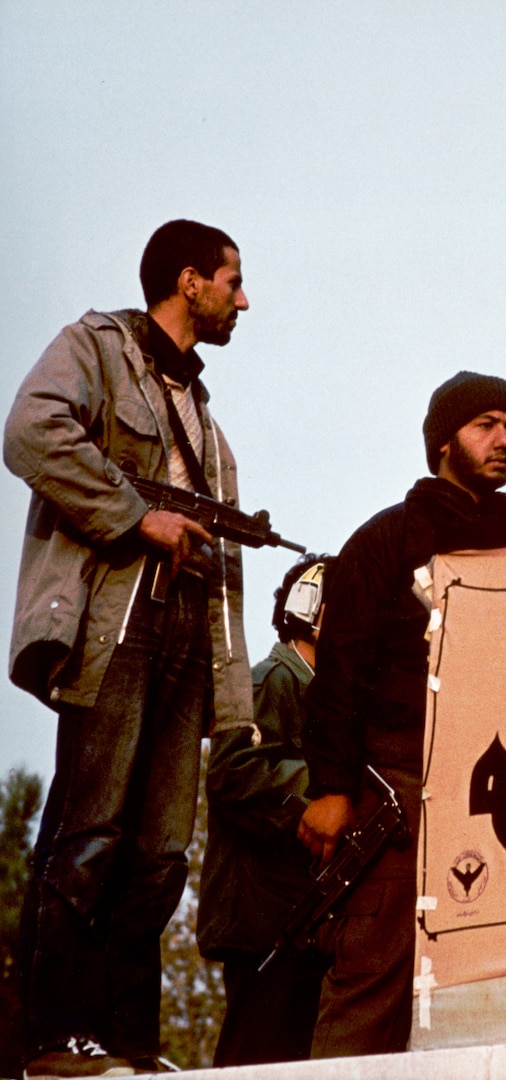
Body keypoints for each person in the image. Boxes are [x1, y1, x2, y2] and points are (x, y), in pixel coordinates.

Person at [5, 220, 253, 1078]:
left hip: (187, 632)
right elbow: (30, 431)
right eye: (232, 281)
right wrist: (132, 514)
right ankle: (53, 1039)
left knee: (159, 854)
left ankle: (129, 1042)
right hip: (117, 619)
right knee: (90, 828)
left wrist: (236, 706)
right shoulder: (97, 347)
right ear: (189, 282)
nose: (243, 299)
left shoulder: (205, 425)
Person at [297, 371, 506, 1057]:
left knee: (484, 1001)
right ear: (443, 442)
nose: (503, 440)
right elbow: (340, 673)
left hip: (495, 796)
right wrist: (333, 790)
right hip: (393, 791)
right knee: (372, 987)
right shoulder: (385, 540)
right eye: (485, 424)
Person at [198, 554, 333, 1066]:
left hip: (293, 914)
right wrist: (325, 787)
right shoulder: (269, 680)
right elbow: (231, 771)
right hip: (258, 916)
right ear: (310, 609)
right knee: (255, 1056)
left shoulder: (320, 694)